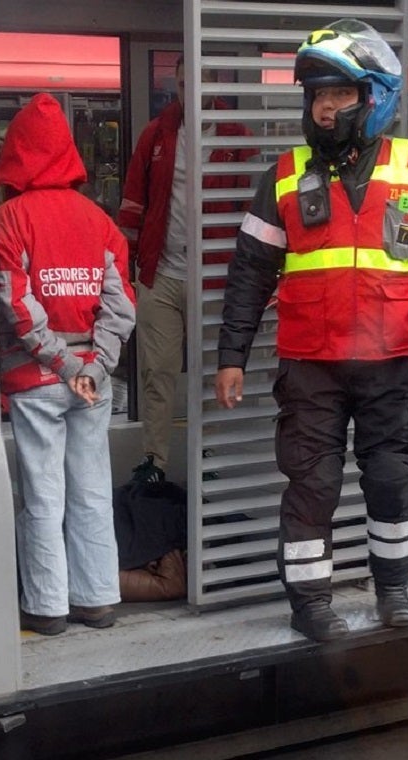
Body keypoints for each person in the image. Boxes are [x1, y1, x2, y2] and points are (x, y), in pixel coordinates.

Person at [215, 19, 408, 642]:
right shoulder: (283, 175)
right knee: (313, 486)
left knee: (390, 482)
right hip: (311, 366)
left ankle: (393, 589)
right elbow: (250, 272)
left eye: (337, 94)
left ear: (373, 96)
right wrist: (231, 356)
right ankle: (310, 606)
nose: (323, 108)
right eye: (315, 96)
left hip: (389, 362)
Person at [0, 93, 137, 636]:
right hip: (91, 382)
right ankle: (97, 599)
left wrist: (61, 361)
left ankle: (48, 606)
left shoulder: (11, 217)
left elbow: (17, 303)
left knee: (43, 494)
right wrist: (94, 367)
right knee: (92, 488)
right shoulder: (99, 220)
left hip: (36, 378)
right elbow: (121, 304)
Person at [119, 56, 258, 484]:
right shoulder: (156, 134)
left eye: (196, 83)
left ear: (213, 84)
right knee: (156, 371)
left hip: (215, 279)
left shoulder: (238, 138)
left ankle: (208, 454)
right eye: (182, 83)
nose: (188, 91)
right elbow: (132, 203)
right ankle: (154, 462)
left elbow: (252, 214)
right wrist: (128, 270)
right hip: (160, 275)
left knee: (213, 370)